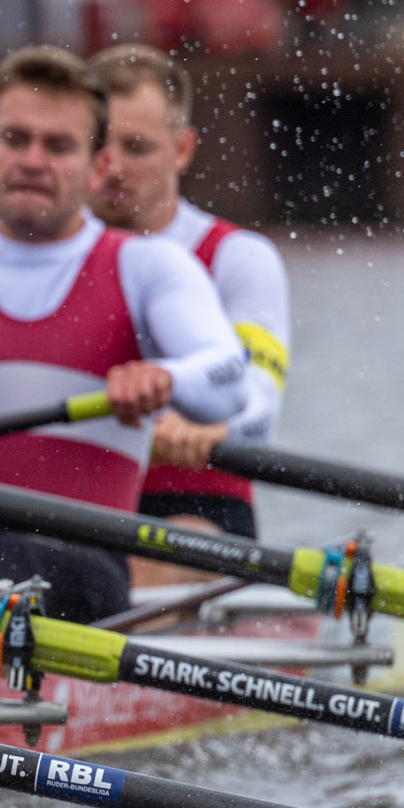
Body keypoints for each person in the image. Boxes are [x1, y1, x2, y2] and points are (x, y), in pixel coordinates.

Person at [0, 47, 248, 621]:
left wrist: (166, 377)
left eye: (59, 145)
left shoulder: (146, 267)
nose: (33, 160)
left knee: (13, 559)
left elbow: (228, 377)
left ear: (97, 166)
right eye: (16, 139)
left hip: (85, 561)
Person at [87, 44, 291, 581]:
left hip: (192, 506)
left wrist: (214, 425)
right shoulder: (38, 257)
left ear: (182, 149)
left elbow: (259, 404)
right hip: (72, 507)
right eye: (96, 145)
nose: (112, 168)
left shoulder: (237, 257)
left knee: (157, 559)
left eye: (136, 148)